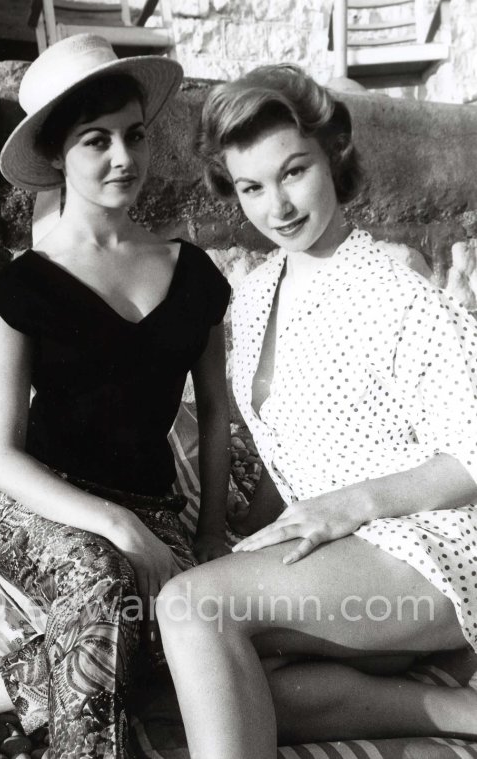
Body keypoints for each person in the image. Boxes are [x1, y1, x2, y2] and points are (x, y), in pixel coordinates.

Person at [156, 63, 477, 758]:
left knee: (192, 605)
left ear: (333, 154)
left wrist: (349, 504)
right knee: (203, 680)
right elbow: (296, 443)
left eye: (293, 170)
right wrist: (240, 529)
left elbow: (473, 452)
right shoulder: (258, 289)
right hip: (346, 553)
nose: (279, 205)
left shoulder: (396, 290)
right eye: (251, 186)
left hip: (429, 544)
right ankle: (460, 707)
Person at [0, 34, 231, 758]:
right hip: (38, 498)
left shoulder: (192, 274)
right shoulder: (21, 290)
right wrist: (121, 527)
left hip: (154, 504)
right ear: (59, 157)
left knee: (181, 632)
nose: (123, 157)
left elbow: (217, 410)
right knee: (100, 585)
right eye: (97, 141)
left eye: (134, 136)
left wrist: (212, 534)